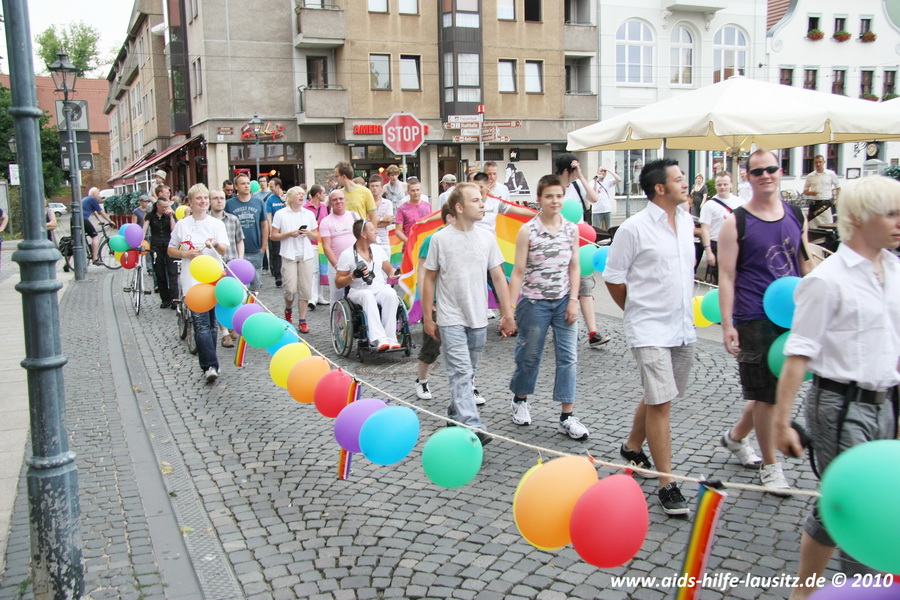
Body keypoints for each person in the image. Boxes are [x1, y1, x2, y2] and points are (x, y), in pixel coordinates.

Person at [773, 176, 900, 600]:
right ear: (859, 218)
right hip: (840, 406)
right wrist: (782, 423)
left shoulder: (895, 270)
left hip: (885, 402)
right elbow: (798, 354)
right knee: (863, 506)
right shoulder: (827, 280)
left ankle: (802, 593)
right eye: (891, 214)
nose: (899, 222)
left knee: (839, 503)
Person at [603, 158, 696, 517]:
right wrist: (635, 310)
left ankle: (632, 446)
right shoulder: (633, 228)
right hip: (649, 328)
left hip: (682, 326)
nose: (685, 183)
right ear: (660, 188)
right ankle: (666, 482)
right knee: (661, 403)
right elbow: (613, 277)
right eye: (678, 178)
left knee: (662, 395)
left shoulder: (686, 220)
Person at [717, 149, 813, 494]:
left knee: (771, 391)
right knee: (766, 394)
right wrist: (727, 324)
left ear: (780, 171)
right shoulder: (736, 222)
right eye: (758, 171)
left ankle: (735, 437)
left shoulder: (795, 214)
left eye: (771, 169)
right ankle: (771, 467)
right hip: (754, 316)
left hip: (792, 313)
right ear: (748, 177)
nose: (766, 175)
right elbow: (726, 276)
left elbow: (805, 263)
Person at [422, 183, 517, 445]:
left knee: (468, 372)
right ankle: (473, 425)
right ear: (459, 207)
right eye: (475, 200)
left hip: (478, 319)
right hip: (450, 318)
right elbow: (428, 278)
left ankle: (454, 415)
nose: (482, 204)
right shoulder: (440, 239)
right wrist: (428, 317)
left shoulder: (487, 238)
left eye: (481, 199)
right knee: (461, 373)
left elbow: (498, 277)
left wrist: (507, 314)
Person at [507, 174, 588, 440]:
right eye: (549, 196)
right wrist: (509, 309)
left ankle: (567, 416)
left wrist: (573, 300)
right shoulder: (527, 230)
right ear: (539, 199)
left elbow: (574, 266)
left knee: (568, 358)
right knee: (529, 356)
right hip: (534, 302)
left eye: (559, 196)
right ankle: (520, 399)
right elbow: (518, 271)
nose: (555, 201)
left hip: (564, 301)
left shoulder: (571, 229)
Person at [168, 184, 229, 383]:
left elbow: (224, 250)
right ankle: (210, 365)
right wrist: (185, 254)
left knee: (211, 324)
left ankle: (210, 363)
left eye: (205, 198)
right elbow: (171, 249)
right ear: (191, 202)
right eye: (198, 199)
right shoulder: (182, 225)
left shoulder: (216, 224)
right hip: (192, 280)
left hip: (213, 278)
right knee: (201, 323)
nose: (203, 202)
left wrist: (215, 244)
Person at [555, 153, 610, 347]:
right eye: (574, 168)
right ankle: (566, 329)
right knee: (562, 289)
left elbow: (594, 198)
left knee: (585, 286)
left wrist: (580, 176)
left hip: (581, 241)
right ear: (566, 169)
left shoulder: (578, 185)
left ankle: (593, 332)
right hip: (560, 243)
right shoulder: (553, 187)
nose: (577, 172)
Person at [335, 219, 401, 351]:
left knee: (391, 294)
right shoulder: (347, 255)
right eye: (372, 230)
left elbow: (389, 270)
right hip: (358, 291)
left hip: (379, 289)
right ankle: (378, 339)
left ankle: (391, 338)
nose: (376, 232)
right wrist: (353, 275)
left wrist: (397, 272)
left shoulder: (378, 250)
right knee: (368, 295)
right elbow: (338, 282)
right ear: (363, 234)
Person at [414, 204, 453, 400]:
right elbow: (422, 274)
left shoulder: (465, 239)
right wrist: (427, 303)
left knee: (465, 348)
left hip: (456, 302)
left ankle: (469, 385)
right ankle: (422, 380)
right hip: (436, 301)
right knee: (432, 345)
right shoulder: (431, 240)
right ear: (449, 217)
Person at [271, 186, 319, 334]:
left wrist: (308, 233)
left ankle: (302, 320)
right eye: (298, 194)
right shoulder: (280, 214)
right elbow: (273, 236)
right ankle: (288, 310)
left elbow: (316, 236)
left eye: (303, 194)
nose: (301, 196)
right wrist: (289, 234)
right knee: (290, 289)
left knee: (305, 289)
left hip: (306, 254)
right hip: (289, 254)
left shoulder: (308, 214)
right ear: (290, 196)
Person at [209, 188, 244, 348]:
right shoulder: (206, 221)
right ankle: (224, 333)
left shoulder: (233, 219)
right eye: (215, 198)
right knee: (218, 298)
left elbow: (239, 240)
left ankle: (232, 325)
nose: (219, 201)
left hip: (232, 262)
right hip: (213, 265)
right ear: (210, 201)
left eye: (222, 198)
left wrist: (240, 260)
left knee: (234, 297)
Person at [698, 172, 745, 284]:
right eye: (719, 184)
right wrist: (708, 251)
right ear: (715, 186)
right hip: (718, 245)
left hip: (737, 244)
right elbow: (705, 229)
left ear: (731, 184)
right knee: (722, 280)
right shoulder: (709, 205)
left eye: (725, 184)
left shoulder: (740, 202)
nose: (722, 187)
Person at [225, 173, 268, 293]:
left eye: (248, 183)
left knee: (255, 287)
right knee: (238, 287)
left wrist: (263, 247)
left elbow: (264, 225)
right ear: (236, 186)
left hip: (256, 250)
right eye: (243, 183)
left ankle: (253, 305)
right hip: (236, 252)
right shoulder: (229, 204)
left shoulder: (258, 202)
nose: (246, 186)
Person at [319, 189, 360, 304]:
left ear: (345, 200)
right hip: (336, 264)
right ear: (330, 203)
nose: (338, 201)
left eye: (341, 198)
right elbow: (326, 247)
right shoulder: (326, 221)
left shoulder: (354, 216)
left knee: (358, 293)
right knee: (336, 297)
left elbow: (362, 237)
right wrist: (337, 266)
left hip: (355, 262)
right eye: (335, 200)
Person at [143, 185, 179, 308]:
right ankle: (165, 299)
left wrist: (171, 217)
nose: (165, 209)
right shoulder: (150, 216)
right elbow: (144, 229)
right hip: (156, 246)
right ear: (157, 206)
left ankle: (175, 298)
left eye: (166, 207)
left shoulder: (169, 215)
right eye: (163, 207)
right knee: (160, 273)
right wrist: (141, 240)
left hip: (169, 246)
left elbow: (174, 230)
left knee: (172, 272)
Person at [304, 184, 330, 307]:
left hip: (322, 241)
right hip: (311, 242)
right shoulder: (305, 208)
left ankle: (319, 296)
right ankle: (312, 298)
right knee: (313, 270)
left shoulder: (324, 207)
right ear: (318, 194)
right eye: (323, 193)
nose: (325, 195)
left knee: (321, 269)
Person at [803, 154, 841, 227]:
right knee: (812, 227)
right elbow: (805, 191)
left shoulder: (830, 174)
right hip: (814, 204)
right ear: (814, 163)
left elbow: (838, 187)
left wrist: (837, 200)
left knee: (828, 226)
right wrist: (811, 192)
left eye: (820, 162)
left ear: (824, 162)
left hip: (825, 204)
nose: (818, 164)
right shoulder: (810, 176)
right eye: (816, 162)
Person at [394, 177, 432, 245]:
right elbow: (398, 231)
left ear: (421, 190)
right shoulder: (402, 209)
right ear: (408, 192)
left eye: (418, 190)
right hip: (409, 247)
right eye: (413, 190)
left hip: (425, 246)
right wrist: (409, 243)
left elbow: (431, 224)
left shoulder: (428, 206)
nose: (416, 193)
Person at [81, 187, 114, 265]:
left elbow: (94, 212)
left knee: (74, 240)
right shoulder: (93, 199)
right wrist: (109, 220)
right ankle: (95, 258)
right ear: (94, 194)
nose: (99, 196)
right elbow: (100, 211)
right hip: (82, 219)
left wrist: (99, 220)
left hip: (74, 219)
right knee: (95, 236)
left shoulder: (87, 199)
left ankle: (67, 263)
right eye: (98, 194)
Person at [264, 178, 286, 287]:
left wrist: (285, 202)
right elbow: (269, 216)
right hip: (276, 230)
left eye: (272, 186)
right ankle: (278, 276)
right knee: (276, 254)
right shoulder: (270, 199)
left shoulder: (287, 196)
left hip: (287, 230)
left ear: (278, 186)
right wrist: (270, 230)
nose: (270, 188)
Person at [370, 175, 394, 256]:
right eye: (372, 186)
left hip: (384, 242)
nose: (374, 188)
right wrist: (382, 219)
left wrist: (371, 223)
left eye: (377, 186)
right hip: (369, 242)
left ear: (381, 187)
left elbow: (388, 221)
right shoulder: (366, 204)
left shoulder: (388, 203)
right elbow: (365, 223)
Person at [591, 165, 620, 230]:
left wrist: (609, 170)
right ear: (597, 172)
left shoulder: (607, 182)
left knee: (608, 229)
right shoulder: (592, 182)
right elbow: (593, 192)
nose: (603, 173)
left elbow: (619, 179)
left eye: (604, 171)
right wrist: (595, 180)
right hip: (597, 210)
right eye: (601, 171)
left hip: (607, 209)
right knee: (596, 229)